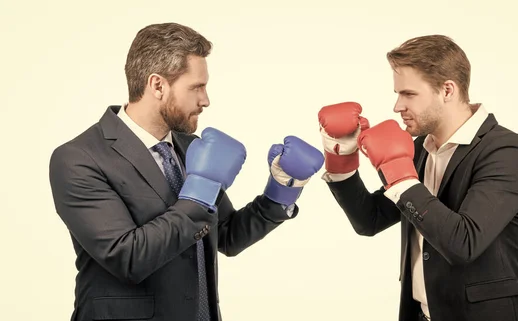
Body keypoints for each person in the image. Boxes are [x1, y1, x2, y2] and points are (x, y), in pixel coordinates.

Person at [49, 22, 324, 321]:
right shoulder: (79, 158)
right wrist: (200, 190)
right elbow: (126, 258)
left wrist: (281, 190)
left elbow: (227, 235)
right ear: (157, 86)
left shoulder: (189, 146)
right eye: (196, 87)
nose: (206, 100)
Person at [318, 35, 518, 321]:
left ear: (447, 90)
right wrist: (341, 161)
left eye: (408, 94)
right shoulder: (420, 149)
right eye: (397, 94)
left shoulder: (506, 151)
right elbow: (368, 221)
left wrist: (400, 178)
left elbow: (464, 243)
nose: (397, 106)